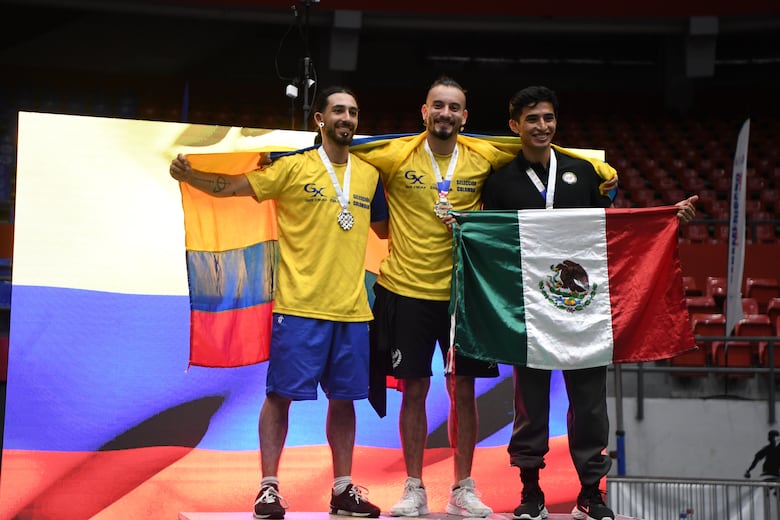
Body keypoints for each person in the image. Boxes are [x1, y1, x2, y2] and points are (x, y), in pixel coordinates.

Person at [353, 77, 617, 518]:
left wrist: (600, 169)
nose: (446, 114)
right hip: (409, 290)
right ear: (424, 111)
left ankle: (464, 487)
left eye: (454, 107)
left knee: (464, 389)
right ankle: (415, 487)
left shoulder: (485, 157)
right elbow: (342, 149)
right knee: (416, 390)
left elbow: (541, 149)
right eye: (438, 106)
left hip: (467, 295)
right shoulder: (395, 153)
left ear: (465, 116)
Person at [480, 85, 697, 520]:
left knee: (590, 405)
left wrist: (667, 218)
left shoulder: (584, 172)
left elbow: (612, 233)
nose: (542, 126)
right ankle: (530, 492)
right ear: (514, 126)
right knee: (530, 404)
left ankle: (590, 494)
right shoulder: (501, 182)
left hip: (583, 310)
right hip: (532, 310)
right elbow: (492, 242)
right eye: (532, 119)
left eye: (548, 118)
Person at [169, 86, 387, 520]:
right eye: (338, 111)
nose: (347, 118)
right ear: (320, 120)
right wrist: (190, 176)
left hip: (353, 310)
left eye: (353, 112)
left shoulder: (369, 174)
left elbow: (386, 230)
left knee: (345, 400)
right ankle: (268, 489)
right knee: (280, 397)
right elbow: (232, 187)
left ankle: (343, 489)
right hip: (300, 308)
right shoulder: (291, 168)